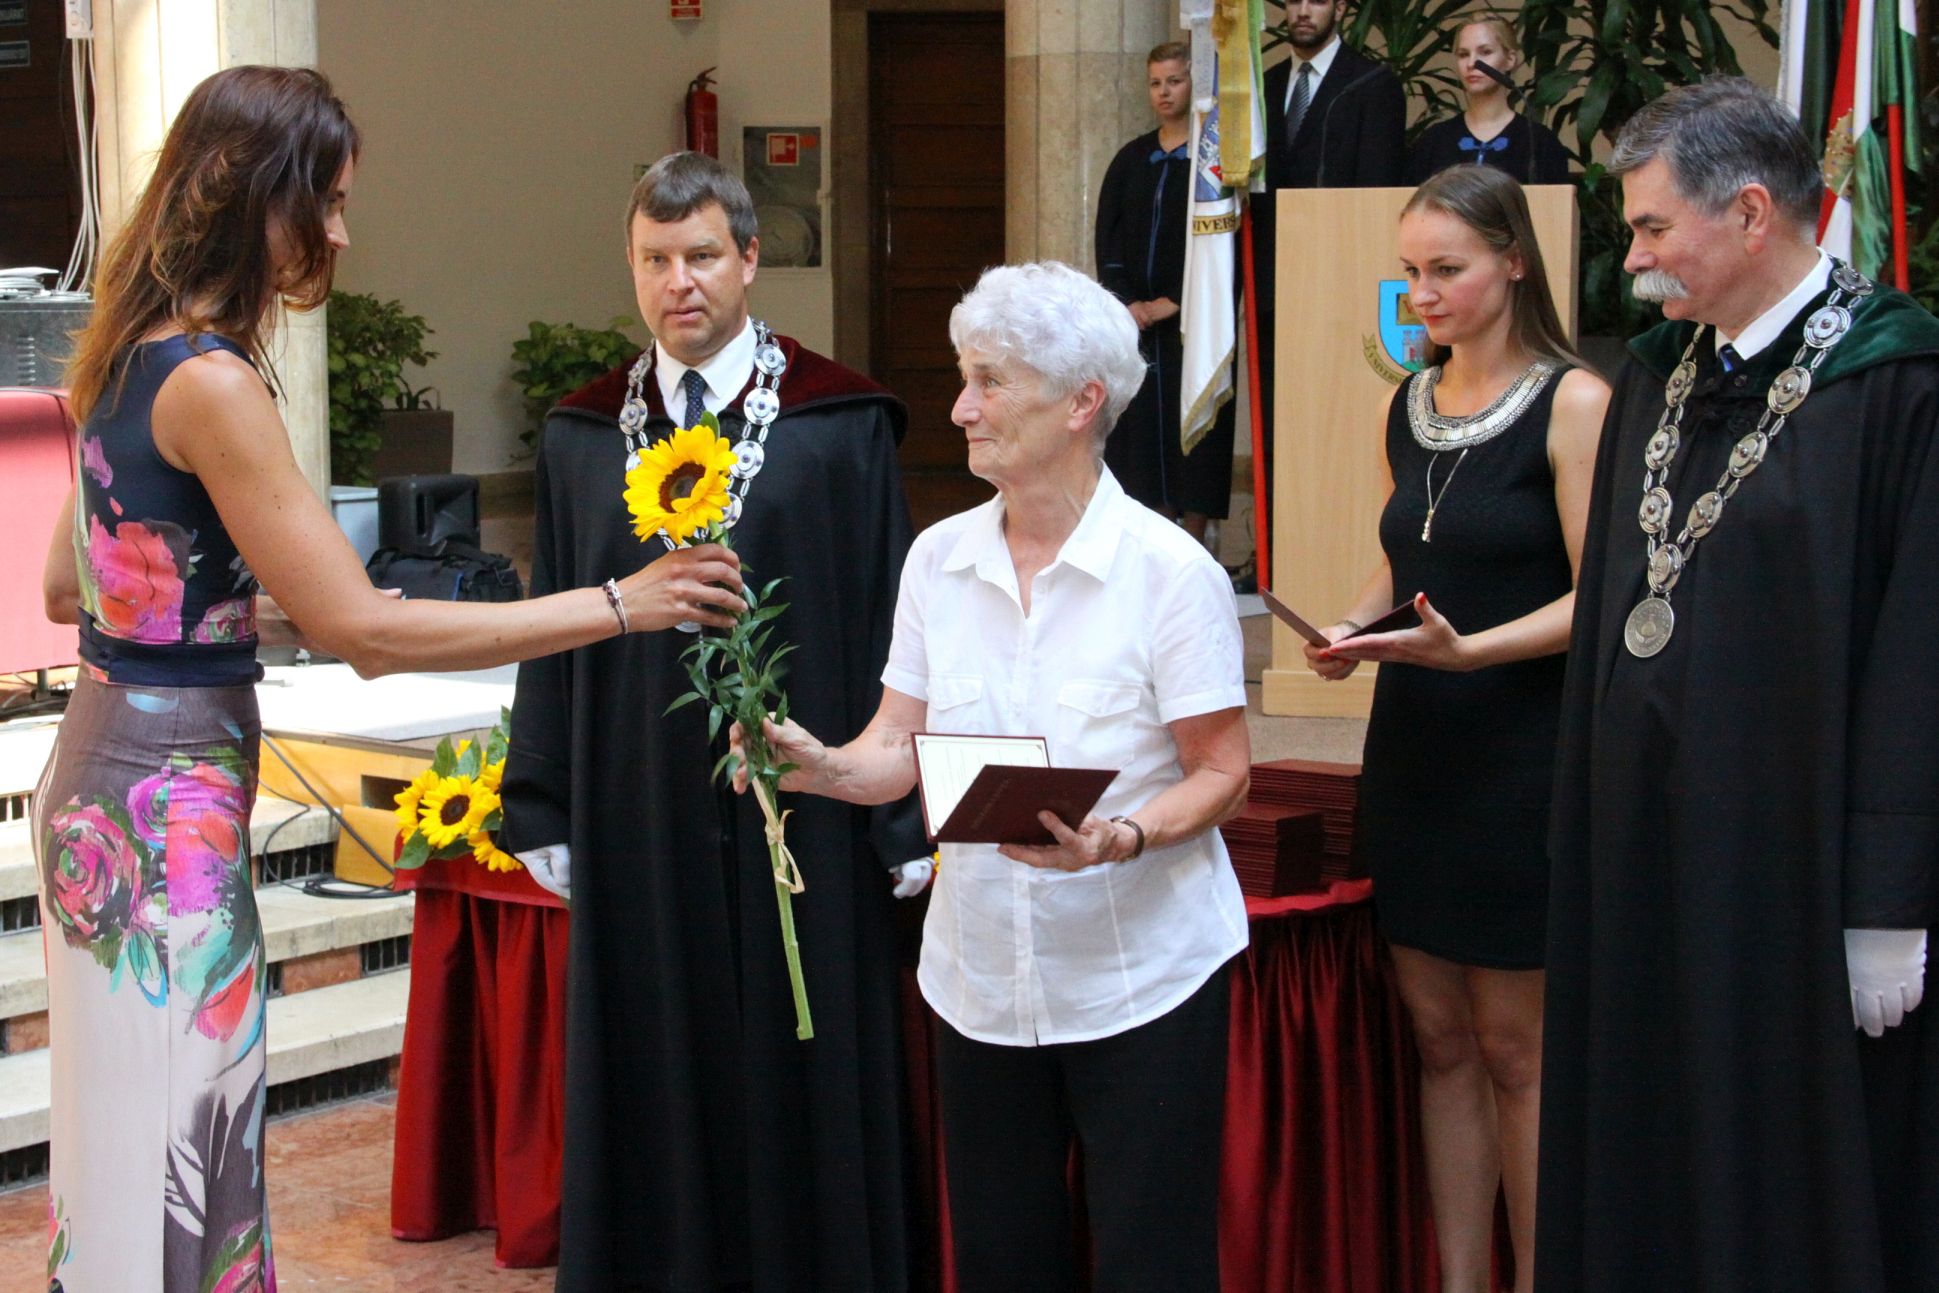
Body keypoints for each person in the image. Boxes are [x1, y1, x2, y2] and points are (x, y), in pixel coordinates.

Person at [32, 67, 745, 1293]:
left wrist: (224, 607)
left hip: (94, 778)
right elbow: (359, 631)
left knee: (119, 1148)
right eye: (330, 201)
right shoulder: (211, 378)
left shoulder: (123, 352)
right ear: (257, 195)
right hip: (168, 812)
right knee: (187, 1143)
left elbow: (68, 588)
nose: (342, 233)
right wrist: (622, 603)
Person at [729, 261, 1252, 1293]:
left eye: (990, 382)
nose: (960, 408)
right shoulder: (937, 560)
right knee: (1003, 1260)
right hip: (978, 985)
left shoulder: (1169, 572)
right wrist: (821, 766)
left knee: (1152, 1265)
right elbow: (896, 750)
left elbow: (1223, 773)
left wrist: (1120, 838)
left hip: (1140, 979)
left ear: (1081, 403)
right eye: (964, 378)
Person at [495, 151, 932, 1292]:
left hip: (808, 803)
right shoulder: (582, 435)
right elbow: (551, 615)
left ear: (748, 258)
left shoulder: (840, 421)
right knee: (655, 1047)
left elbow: (893, 618)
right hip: (635, 802)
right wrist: (541, 793)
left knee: (804, 1038)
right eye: (654, 260)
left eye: (699, 256)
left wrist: (903, 812)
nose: (677, 282)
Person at [1540, 78, 1939, 1292]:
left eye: (1652, 227)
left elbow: (1917, 654)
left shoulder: (1897, 382)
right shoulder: (1656, 375)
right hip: (1647, 865)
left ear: (1752, 214)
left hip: (1796, 882)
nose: (1632, 258)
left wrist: (1887, 900)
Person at [1300, 165, 1606, 1293]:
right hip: (1414, 753)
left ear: (1513, 262)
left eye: (1444, 270)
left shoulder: (1575, 401)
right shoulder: (1412, 400)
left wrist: (1473, 651)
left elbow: (1600, 596)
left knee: (1517, 1049)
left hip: (1521, 757)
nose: (1419, 295)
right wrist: (1351, 625)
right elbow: (1406, 553)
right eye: (1409, 272)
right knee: (1438, 1043)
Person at [1250, 0, 1406, 589]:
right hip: (1273, 287)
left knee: (1337, 424)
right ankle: (1276, 557)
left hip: (1342, 286)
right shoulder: (1262, 89)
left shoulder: (1372, 84)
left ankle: (1337, 553)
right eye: (1291, 0)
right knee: (1279, 425)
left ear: (1340, 7)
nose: (1301, 10)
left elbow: (1379, 191)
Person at [1095, 41, 1236, 544]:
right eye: (1155, 83)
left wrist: (1175, 300)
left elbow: (1221, 244)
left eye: (1174, 81)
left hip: (1193, 322)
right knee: (1140, 433)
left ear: (1193, 84)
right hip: (1135, 323)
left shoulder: (1211, 166)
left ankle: (1195, 539)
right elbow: (1108, 239)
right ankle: (1151, 535)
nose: (1164, 92)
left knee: (1196, 431)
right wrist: (1127, 302)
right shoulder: (1131, 159)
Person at [1406, 18, 1571, 186]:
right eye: (1463, 55)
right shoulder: (1433, 141)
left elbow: (1555, 201)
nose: (1472, 63)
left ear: (1510, 59)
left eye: (1485, 52)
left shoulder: (1539, 142)